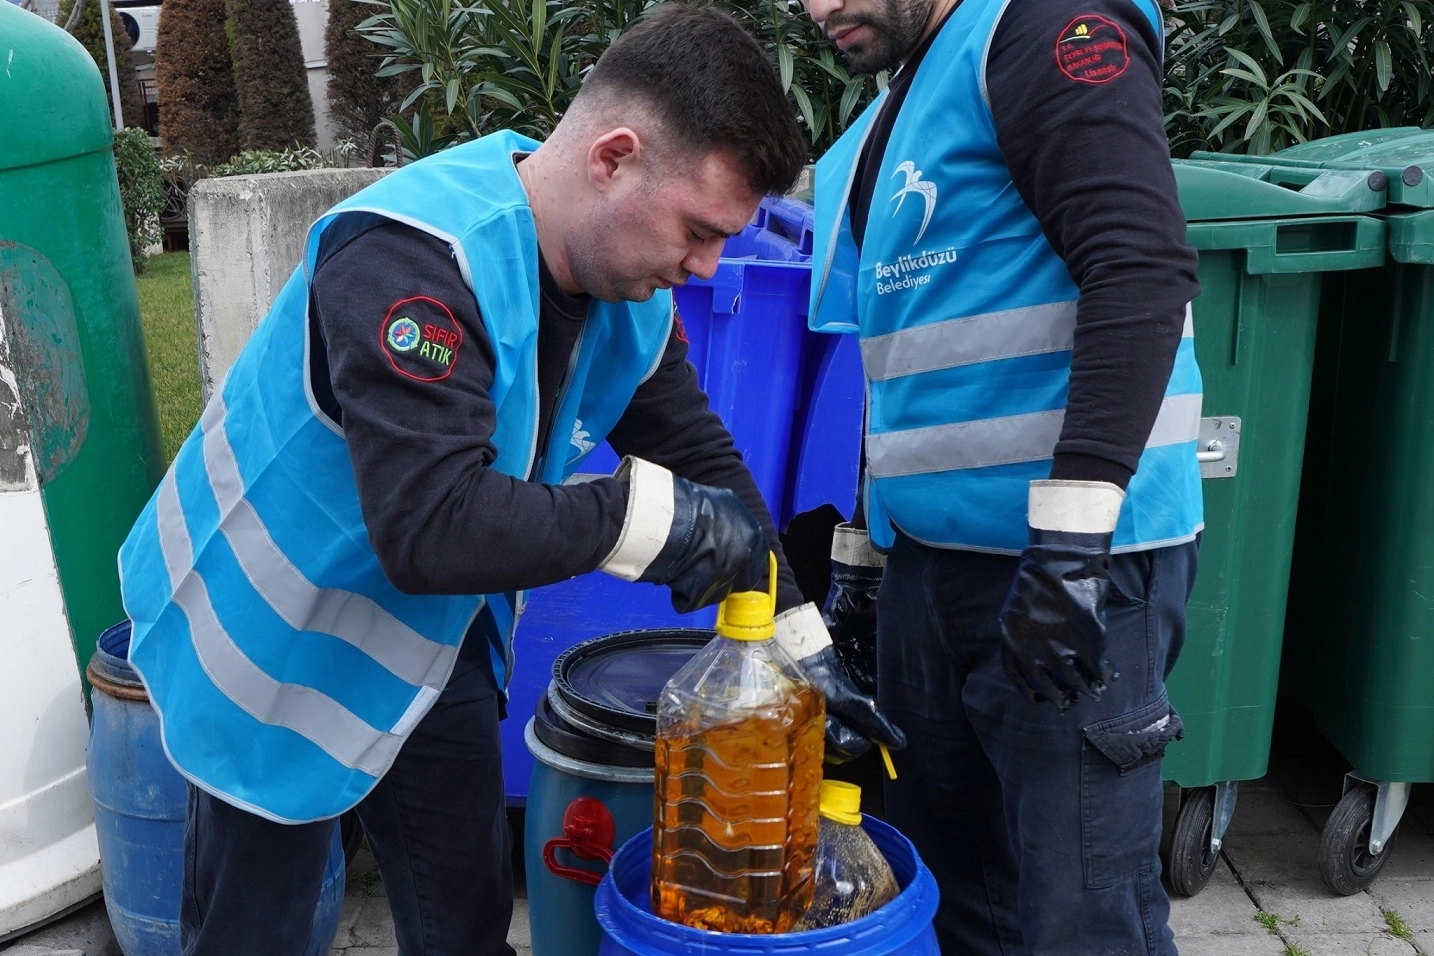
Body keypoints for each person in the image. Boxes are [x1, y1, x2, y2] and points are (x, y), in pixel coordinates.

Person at [117, 6, 901, 954]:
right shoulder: (412, 260)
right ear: (614, 158)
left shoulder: (623, 290)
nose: (706, 267)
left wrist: (801, 643)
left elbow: (703, 461)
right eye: (699, 230)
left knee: (466, 923)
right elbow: (431, 527)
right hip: (275, 640)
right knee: (257, 932)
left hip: (426, 639)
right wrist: (650, 522)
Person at [797, 0, 1204, 952]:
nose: (822, 9)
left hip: (1072, 572)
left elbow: (1137, 266)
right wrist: (861, 565)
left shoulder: (1041, 26)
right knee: (957, 893)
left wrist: (1069, 549)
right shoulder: (901, 100)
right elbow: (903, 366)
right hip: (931, 570)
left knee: (1083, 914)